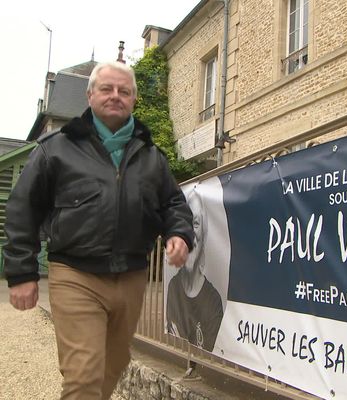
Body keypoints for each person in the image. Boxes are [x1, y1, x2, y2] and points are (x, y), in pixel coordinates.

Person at [2, 61, 194, 400]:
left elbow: (173, 204)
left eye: (124, 91)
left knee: (113, 364)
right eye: (106, 89)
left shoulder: (151, 156)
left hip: (132, 277)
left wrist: (178, 234)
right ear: (90, 95)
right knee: (84, 375)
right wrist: (21, 272)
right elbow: (23, 208)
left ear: (134, 100)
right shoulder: (56, 148)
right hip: (75, 273)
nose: (115, 96)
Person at [166, 185, 223, 352]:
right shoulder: (173, 287)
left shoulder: (213, 302)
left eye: (196, 223)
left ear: (204, 236)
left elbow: (207, 357)